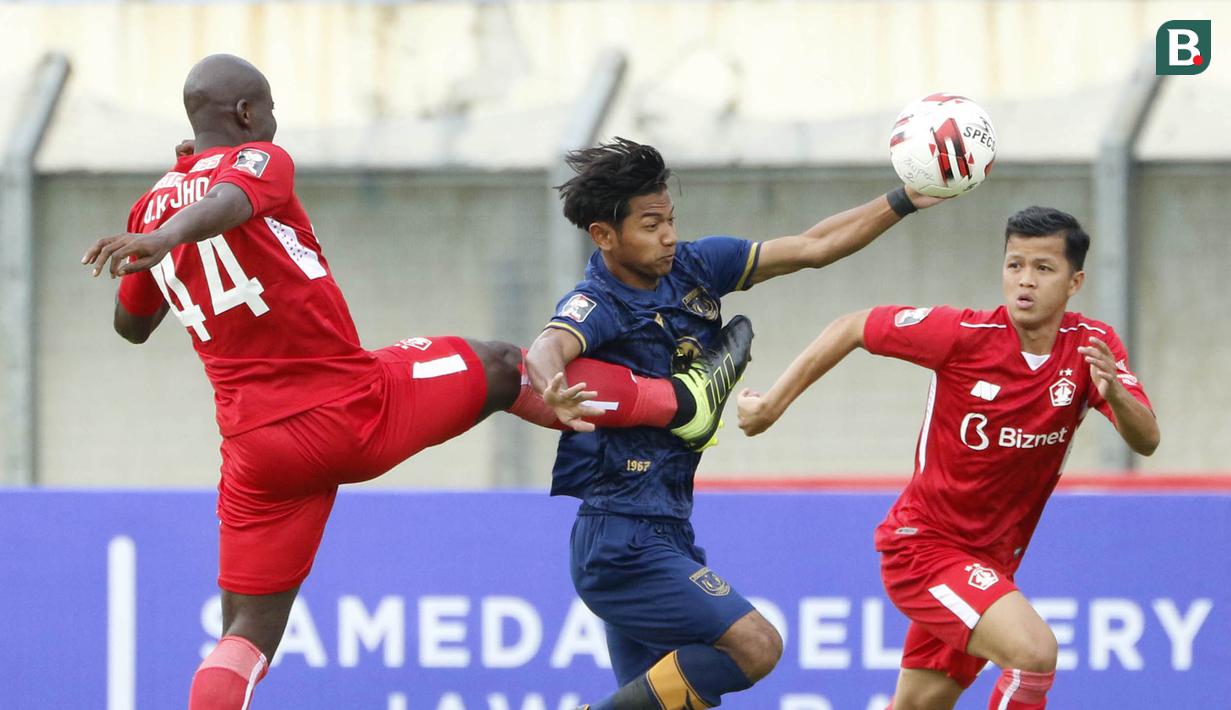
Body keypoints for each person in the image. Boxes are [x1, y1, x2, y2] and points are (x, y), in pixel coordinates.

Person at [81, 55, 743, 709]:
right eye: (271, 109)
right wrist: (175, 228)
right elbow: (230, 200)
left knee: (245, 634)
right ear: (247, 113)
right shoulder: (258, 161)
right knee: (501, 367)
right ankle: (678, 403)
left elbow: (131, 326)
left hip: (257, 449)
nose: (275, 122)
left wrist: (162, 231)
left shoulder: (148, 209)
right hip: (348, 405)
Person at [524, 138, 944, 709]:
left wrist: (904, 199)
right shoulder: (599, 303)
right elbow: (547, 346)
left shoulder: (696, 266)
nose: (668, 236)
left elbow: (814, 247)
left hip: (669, 528)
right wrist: (552, 384)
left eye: (670, 220)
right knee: (756, 646)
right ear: (604, 235)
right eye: (651, 225)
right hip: (619, 539)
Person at [737, 206, 1160, 710]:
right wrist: (770, 405)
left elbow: (1147, 440)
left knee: (918, 706)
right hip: (924, 549)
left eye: (1043, 268)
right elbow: (853, 327)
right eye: (1015, 264)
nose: (1025, 280)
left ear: (1075, 282)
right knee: (1034, 654)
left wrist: (1116, 396)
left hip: (990, 564)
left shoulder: (1092, 346)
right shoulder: (963, 334)